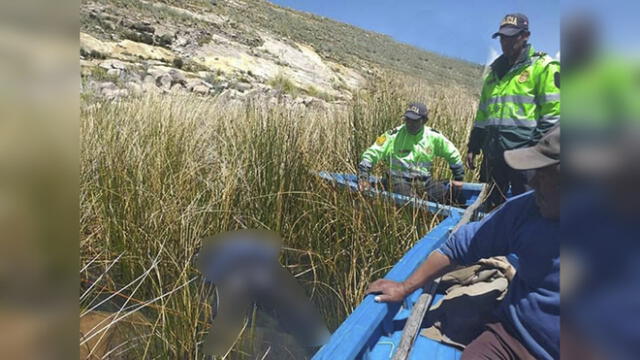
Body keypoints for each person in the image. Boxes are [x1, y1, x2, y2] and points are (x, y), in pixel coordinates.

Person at [367, 126, 561, 360]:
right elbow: (461, 245)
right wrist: (405, 287)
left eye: (545, 175)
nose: (534, 183)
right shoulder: (527, 210)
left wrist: (458, 174)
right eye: (534, 173)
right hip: (513, 338)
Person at [466, 13, 560, 209]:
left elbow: (554, 115)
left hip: (526, 154)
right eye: (502, 37)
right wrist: (474, 144)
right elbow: (483, 114)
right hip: (494, 152)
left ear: (525, 36)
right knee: (491, 202)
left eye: (511, 36)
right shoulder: (493, 75)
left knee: (528, 205)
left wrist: (536, 149)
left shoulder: (543, 68)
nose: (505, 42)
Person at [357, 102, 465, 203]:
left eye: (415, 121)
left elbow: (453, 154)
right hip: (397, 181)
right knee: (408, 199)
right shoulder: (393, 135)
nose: (410, 123)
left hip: (424, 182)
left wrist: (458, 178)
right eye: (407, 119)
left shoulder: (434, 137)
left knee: (448, 195)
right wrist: (363, 177)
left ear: (424, 121)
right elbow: (372, 153)